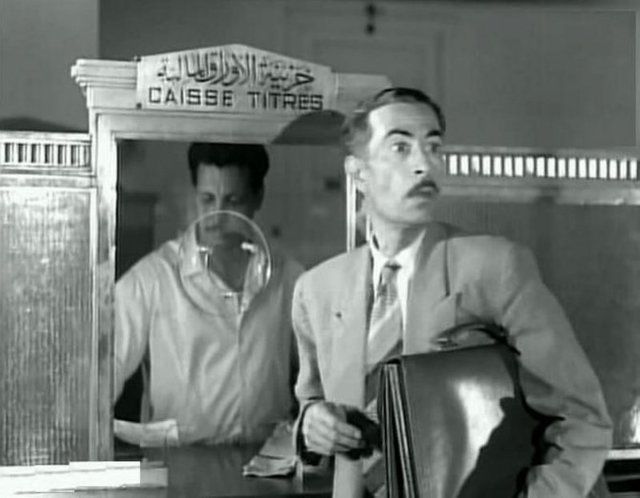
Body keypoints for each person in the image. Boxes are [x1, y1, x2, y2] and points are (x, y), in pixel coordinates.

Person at [292, 88, 612, 497]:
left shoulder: (494, 268)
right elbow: (308, 404)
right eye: (401, 147)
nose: (424, 164)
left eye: (434, 147)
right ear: (358, 172)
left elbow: (582, 418)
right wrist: (312, 423)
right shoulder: (317, 291)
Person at [115, 142, 304, 445]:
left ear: (258, 197)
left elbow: (319, 374)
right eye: (207, 199)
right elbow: (100, 375)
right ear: (195, 196)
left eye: (233, 201)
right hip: (179, 461)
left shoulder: (288, 278)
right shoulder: (152, 279)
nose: (217, 216)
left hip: (267, 461)